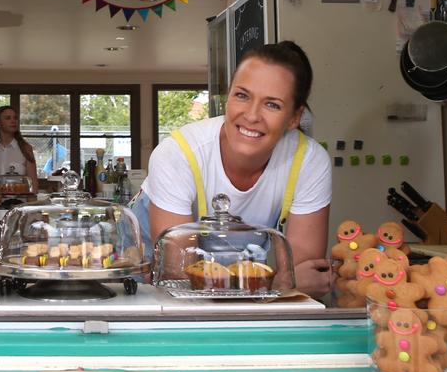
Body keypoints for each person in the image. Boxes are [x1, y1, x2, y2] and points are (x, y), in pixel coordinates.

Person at [136, 41, 332, 296]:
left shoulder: (310, 161)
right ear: (227, 97)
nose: (251, 116)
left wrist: (274, 279)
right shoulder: (178, 153)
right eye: (242, 95)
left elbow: (308, 269)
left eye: (272, 104)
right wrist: (277, 282)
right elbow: (177, 271)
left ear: (295, 117)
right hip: (145, 275)